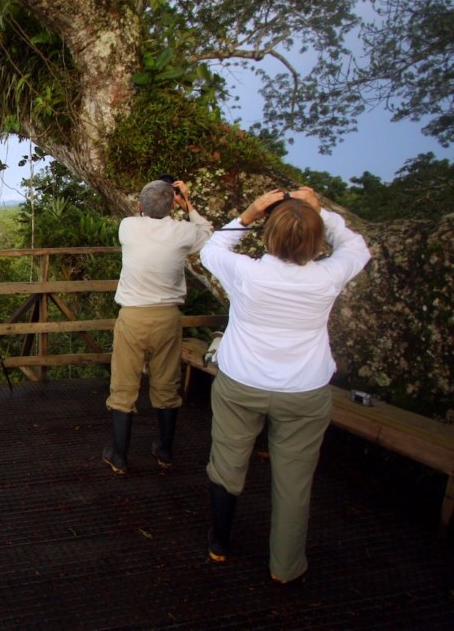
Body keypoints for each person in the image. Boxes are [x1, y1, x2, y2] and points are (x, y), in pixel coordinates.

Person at [199, 187, 370, 584]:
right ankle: (285, 566)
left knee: (227, 461)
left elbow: (210, 249)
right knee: (295, 480)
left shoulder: (248, 273)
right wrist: (319, 212)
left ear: (269, 235)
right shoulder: (329, 275)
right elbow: (357, 246)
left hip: (241, 382)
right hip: (304, 390)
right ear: (317, 243)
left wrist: (249, 212)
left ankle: (220, 542)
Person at [102, 178, 213, 474]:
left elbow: (144, 217)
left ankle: (120, 455)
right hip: (167, 317)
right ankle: (164, 451)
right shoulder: (183, 233)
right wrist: (186, 203)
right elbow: (207, 233)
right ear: (171, 208)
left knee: (124, 386)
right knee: (166, 385)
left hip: (133, 317)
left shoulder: (128, 226)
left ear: (139, 207)